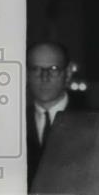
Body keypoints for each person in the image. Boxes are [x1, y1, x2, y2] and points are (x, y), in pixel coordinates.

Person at [26, 41, 73, 185]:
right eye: (36, 69)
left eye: (53, 69)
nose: (44, 78)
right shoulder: (11, 125)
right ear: (26, 74)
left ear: (68, 73)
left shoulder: (91, 122)